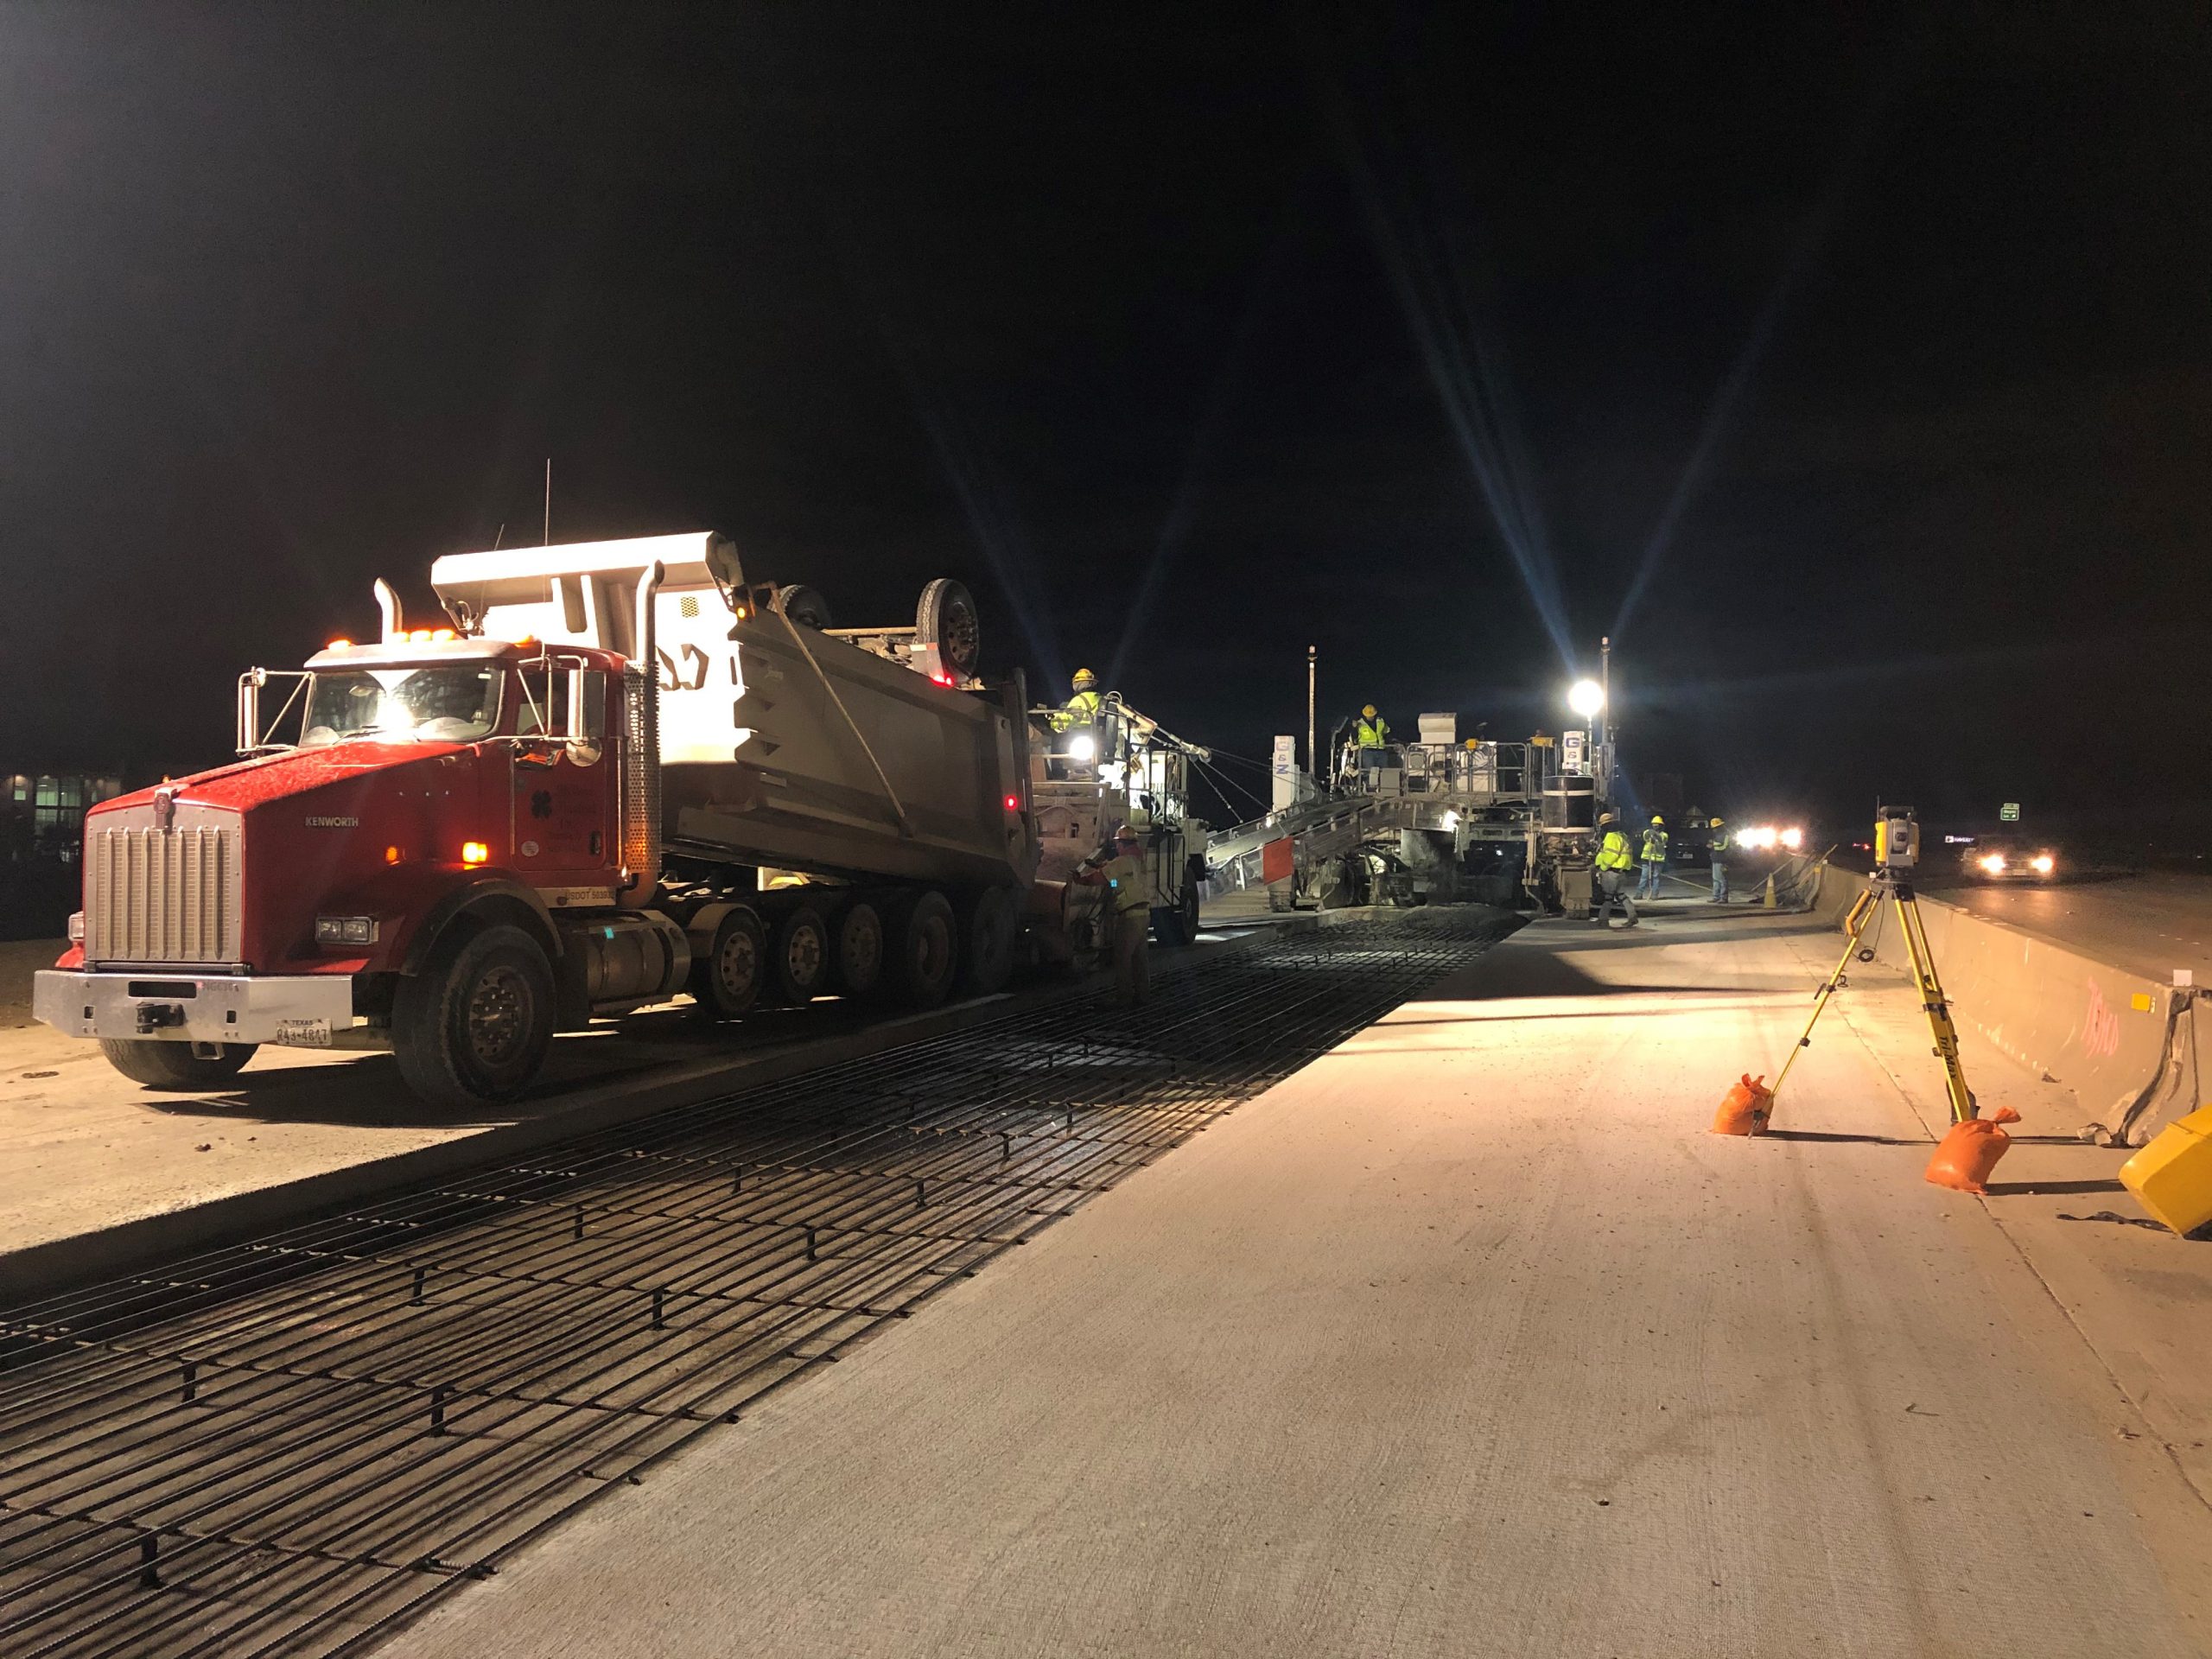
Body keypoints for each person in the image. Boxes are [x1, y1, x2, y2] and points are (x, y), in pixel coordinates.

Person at [1077, 822, 1152, 1005]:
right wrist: (1108, 875)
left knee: (1123, 958)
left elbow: (1099, 879)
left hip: (1130, 917)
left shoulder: (1122, 861)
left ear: (1123, 845)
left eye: (1118, 843)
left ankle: (1124, 997)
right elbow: (1115, 883)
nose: (1116, 847)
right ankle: (1142, 996)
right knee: (1140, 959)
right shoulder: (1137, 861)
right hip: (1143, 915)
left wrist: (1080, 880)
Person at [1593, 810, 1637, 928]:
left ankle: (1603, 920)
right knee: (1621, 895)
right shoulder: (1622, 836)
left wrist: (1602, 868)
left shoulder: (1611, 837)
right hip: (1622, 872)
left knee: (1608, 897)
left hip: (1611, 872)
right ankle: (1632, 917)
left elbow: (1611, 855)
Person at [1051, 668, 1103, 734]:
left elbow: (1063, 723)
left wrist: (1053, 719)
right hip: (1102, 737)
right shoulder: (1100, 699)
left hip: (1082, 736)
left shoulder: (1078, 700)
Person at [1637, 814, 1669, 899]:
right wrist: (1650, 833)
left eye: (1657, 825)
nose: (1655, 827)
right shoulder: (1648, 832)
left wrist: (1655, 835)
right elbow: (1645, 835)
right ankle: (1639, 894)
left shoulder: (1664, 835)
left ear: (1661, 826)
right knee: (1644, 876)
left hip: (1658, 859)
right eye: (1654, 825)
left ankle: (1654, 894)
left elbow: (1661, 839)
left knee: (1656, 877)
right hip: (1647, 858)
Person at [1707, 816, 1730, 903]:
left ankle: (1723, 898)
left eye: (1715, 828)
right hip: (1716, 859)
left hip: (1722, 860)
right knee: (1715, 879)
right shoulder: (1717, 835)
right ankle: (1716, 897)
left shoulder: (1726, 835)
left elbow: (1724, 846)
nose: (1714, 829)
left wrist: (1713, 845)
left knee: (1722, 880)